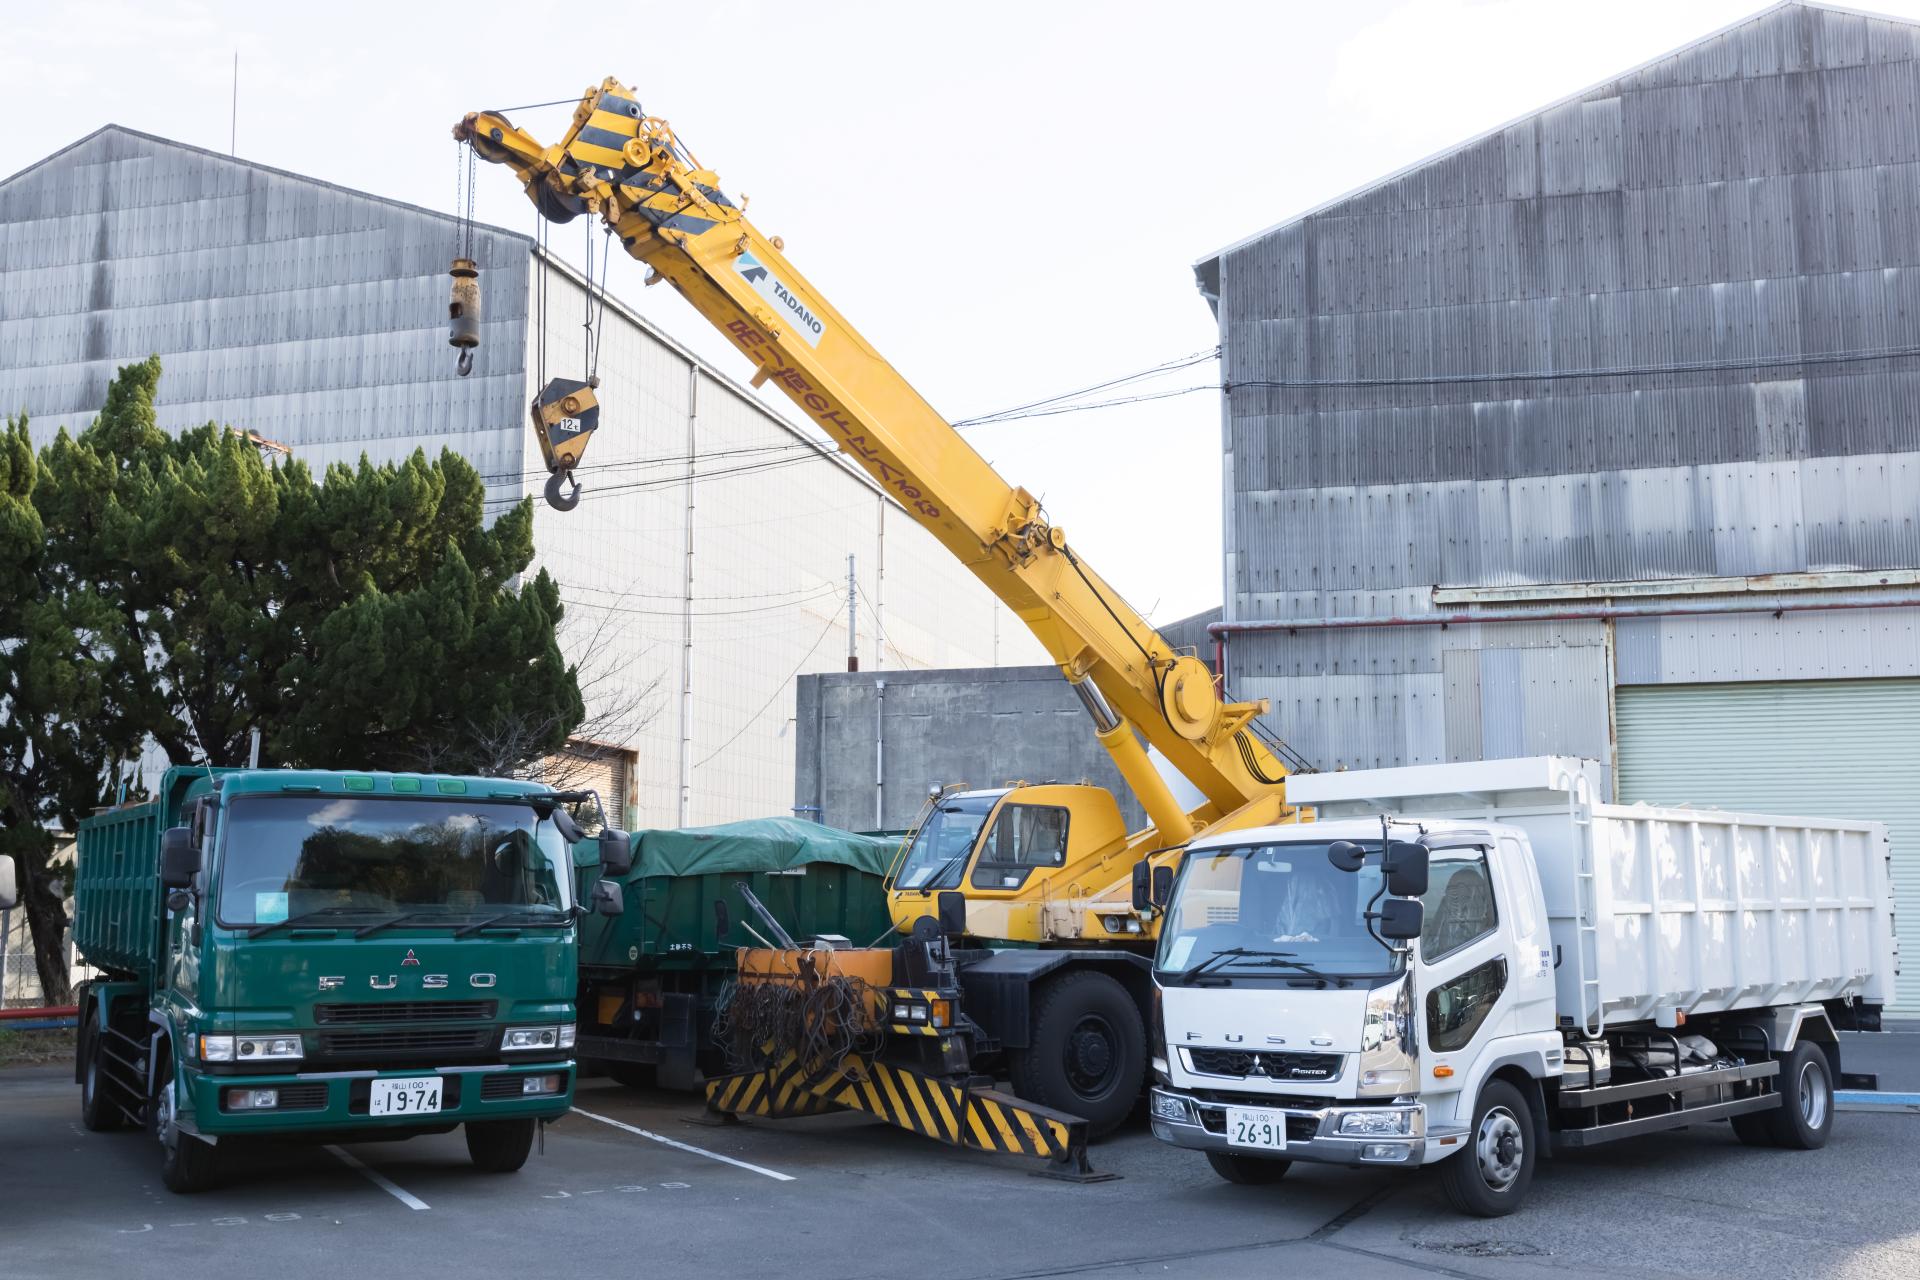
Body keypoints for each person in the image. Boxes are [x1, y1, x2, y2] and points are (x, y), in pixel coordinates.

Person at [1274, 873, 1336, 943]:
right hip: (1285, 948)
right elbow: (1278, 934)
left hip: (1316, 949)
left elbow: (1332, 935)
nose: (1296, 887)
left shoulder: (1323, 905)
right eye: (1293, 883)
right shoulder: (1284, 907)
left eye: (1301, 883)